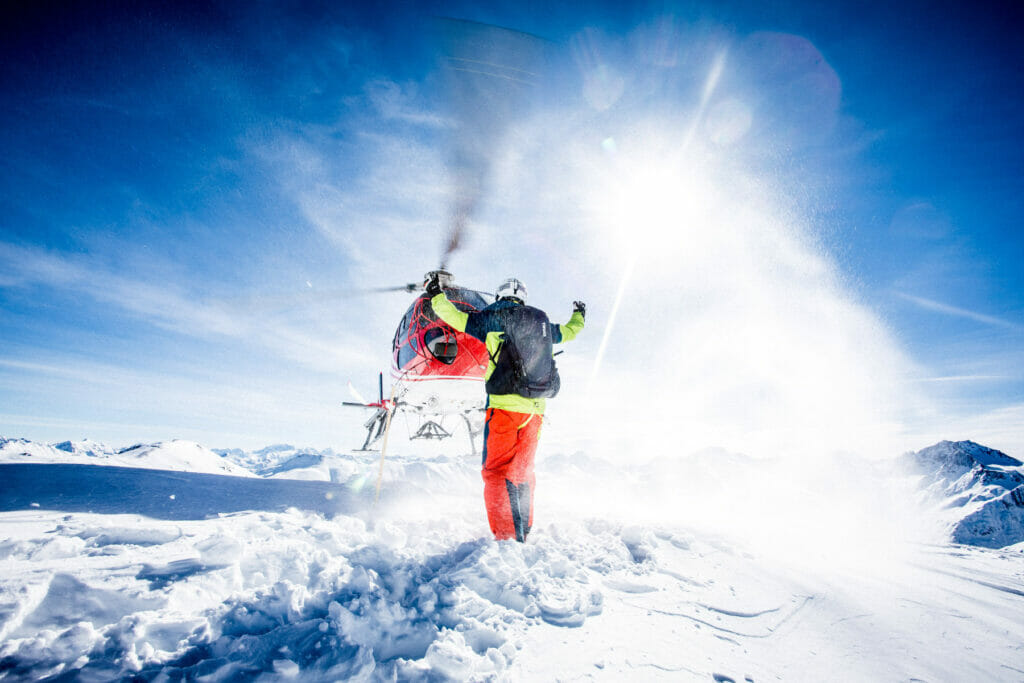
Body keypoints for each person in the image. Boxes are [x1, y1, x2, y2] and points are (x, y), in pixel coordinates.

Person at [427, 274, 585, 542]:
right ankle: (523, 527)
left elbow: (455, 318)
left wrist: (435, 295)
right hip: (535, 412)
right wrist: (579, 314)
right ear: (523, 297)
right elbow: (569, 332)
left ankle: (508, 537)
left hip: (504, 408)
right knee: (523, 471)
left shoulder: (493, 317)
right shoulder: (541, 322)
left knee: (496, 471)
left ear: (500, 295)